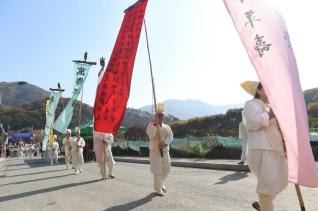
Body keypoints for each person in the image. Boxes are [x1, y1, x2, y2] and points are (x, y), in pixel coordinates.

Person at [241, 81, 288, 211]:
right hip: (261, 147)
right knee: (267, 187)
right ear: (259, 90)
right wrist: (270, 114)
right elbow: (253, 122)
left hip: (275, 148)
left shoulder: (269, 106)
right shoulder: (250, 104)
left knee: (283, 180)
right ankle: (266, 205)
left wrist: (284, 143)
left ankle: (263, 204)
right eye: (267, 88)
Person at [146, 103, 173, 196]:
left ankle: (161, 184)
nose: (160, 117)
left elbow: (170, 136)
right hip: (155, 151)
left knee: (166, 170)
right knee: (157, 170)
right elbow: (149, 134)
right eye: (158, 115)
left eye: (162, 115)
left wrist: (165, 143)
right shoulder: (150, 125)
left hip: (165, 151)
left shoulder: (167, 127)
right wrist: (155, 125)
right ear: (155, 116)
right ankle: (158, 189)